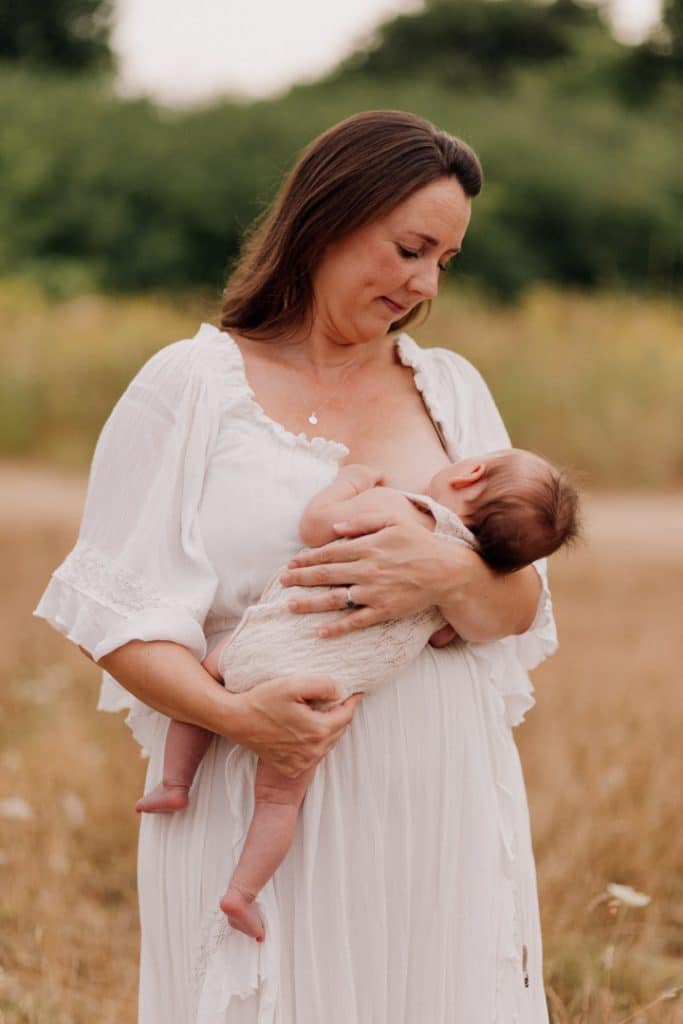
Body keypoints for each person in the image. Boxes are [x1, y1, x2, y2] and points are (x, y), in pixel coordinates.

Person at [34, 110, 560, 1022]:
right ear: (328, 216)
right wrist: (242, 718)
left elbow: (519, 606)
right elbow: (115, 616)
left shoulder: (450, 389)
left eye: (444, 260)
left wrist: (438, 575)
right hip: (253, 788)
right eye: (409, 249)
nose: (424, 283)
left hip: (436, 809)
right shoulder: (190, 386)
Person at [135, 449, 579, 946]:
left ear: (470, 472)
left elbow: (317, 525)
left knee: (209, 676)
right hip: (326, 691)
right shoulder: (459, 581)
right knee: (279, 800)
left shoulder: (399, 508)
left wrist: (350, 481)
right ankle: (242, 893)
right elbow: (440, 638)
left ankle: (176, 781)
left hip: (273, 643)